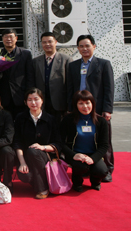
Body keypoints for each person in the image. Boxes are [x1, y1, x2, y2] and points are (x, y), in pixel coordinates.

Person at [67, 34, 115, 182]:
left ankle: (107, 169)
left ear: (94, 46)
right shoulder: (73, 66)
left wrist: (107, 109)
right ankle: (84, 167)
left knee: (104, 140)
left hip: (97, 108)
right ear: (78, 48)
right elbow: (69, 88)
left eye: (87, 45)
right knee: (81, 137)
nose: (84, 49)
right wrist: (70, 108)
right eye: (81, 46)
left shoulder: (103, 64)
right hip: (79, 109)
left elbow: (109, 88)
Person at [14, 88, 62, 199]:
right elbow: (17, 142)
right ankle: (38, 180)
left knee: (33, 151)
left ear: (42, 100)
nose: (33, 102)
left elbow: (58, 144)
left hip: (46, 157)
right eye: (29, 100)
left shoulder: (51, 119)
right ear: (25, 102)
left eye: (36, 99)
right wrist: (22, 163)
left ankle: (42, 187)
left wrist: (42, 147)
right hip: (27, 158)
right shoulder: (20, 118)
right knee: (25, 176)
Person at [60, 90, 109, 192]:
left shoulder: (101, 121)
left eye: (87, 103)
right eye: (81, 103)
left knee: (102, 171)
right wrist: (74, 155)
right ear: (76, 105)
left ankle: (95, 181)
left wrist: (93, 158)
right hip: (76, 154)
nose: (85, 106)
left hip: (93, 154)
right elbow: (60, 142)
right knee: (80, 166)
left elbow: (104, 145)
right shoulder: (68, 120)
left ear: (92, 103)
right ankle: (77, 182)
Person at [0, 29, 34, 118]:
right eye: (6, 37)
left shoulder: (25, 54)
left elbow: (30, 76)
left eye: (11, 37)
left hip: (20, 96)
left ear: (16, 38)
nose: (8, 39)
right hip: (3, 97)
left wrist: (29, 96)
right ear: (2, 39)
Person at [32, 32, 72, 118]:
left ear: (56, 42)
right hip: (42, 104)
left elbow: (70, 84)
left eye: (50, 41)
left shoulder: (66, 60)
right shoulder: (36, 61)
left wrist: (70, 104)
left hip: (60, 103)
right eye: (44, 42)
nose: (47, 44)